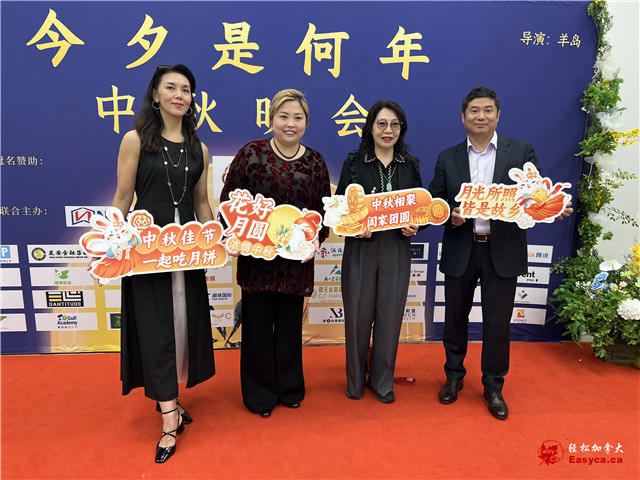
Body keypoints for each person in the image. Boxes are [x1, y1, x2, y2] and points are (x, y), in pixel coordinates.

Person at [427, 87, 572, 420]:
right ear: (463, 117)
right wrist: (451, 214)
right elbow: (436, 201)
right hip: (461, 248)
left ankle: (493, 386)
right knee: (454, 319)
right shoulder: (447, 157)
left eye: (488, 110)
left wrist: (550, 208)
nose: (481, 116)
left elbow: (536, 194)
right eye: (474, 110)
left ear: (498, 115)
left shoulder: (520, 151)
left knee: (497, 323)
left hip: (502, 250)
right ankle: (453, 377)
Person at [110, 64, 215, 462]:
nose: (179, 95)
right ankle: (169, 416)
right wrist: (108, 245)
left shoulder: (199, 149)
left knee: (182, 326)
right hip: (146, 252)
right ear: (155, 95)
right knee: (155, 328)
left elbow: (202, 203)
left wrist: (215, 242)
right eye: (170, 87)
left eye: (186, 90)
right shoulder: (135, 140)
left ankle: (169, 396)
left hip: (187, 251)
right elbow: (123, 197)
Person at [219, 89, 330, 418]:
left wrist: (316, 239)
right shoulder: (251, 154)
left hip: (295, 264)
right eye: (283, 116)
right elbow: (229, 204)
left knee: (289, 327)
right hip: (257, 261)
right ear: (271, 119)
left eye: (298, 117)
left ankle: (290, 388)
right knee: (256, 327)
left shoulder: (315, 163)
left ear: (306, 122)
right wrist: (236, 235)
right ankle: (259, 394)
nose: (290, 123)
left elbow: (322, 213)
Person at [336, 100, 423, 403]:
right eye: (382, 124)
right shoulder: (354, 163)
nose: (388, 130)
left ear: (402, 129)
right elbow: (339, 210)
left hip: (396, 248)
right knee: (358, 318)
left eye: (395, 125)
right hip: (361, 249)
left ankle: (382, 381)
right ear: (370, 128)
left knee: (389, 317)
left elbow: (421, 209)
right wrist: (354, 226)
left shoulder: (410, 166)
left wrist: (416, 227)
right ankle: (355, 382)